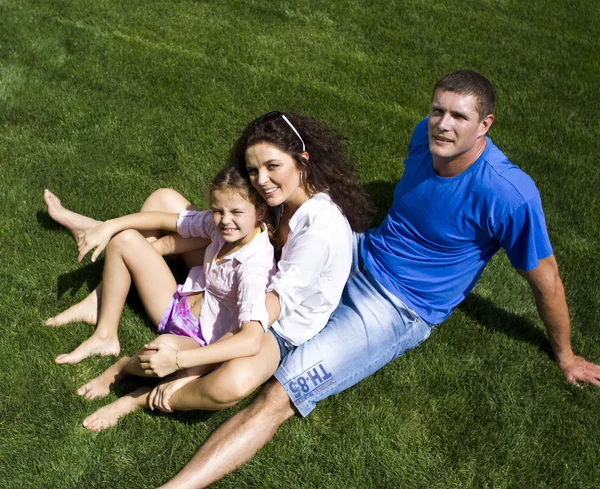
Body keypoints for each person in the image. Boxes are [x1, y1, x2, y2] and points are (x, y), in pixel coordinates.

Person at [154, 70, 600, 489]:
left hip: (395, 306)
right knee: (247, 264)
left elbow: (548, 281)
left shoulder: (510, 195)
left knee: (280, 393)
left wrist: (565, 355)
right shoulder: (423, 140)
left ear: (485, 124)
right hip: (361, 252)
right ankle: (139, 264)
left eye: (458, 117)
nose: (442, 125)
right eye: (437, 111)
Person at [45, 111, 373, 427]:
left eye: (273, 166)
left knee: (232, 382)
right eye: (253, 170)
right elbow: (214, 223)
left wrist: (189, 365)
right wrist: (129, 235)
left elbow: (259, 320)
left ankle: (141, 395)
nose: (261, 180)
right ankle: (102, 292)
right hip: (235, 285)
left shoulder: (318, 232)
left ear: (303, 160)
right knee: (163, 201)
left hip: (276, 323)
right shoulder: (271, 202)